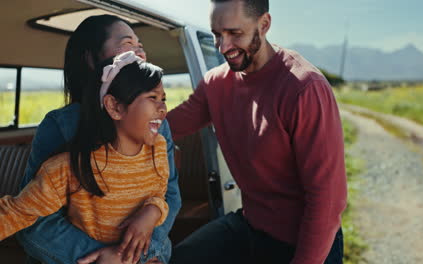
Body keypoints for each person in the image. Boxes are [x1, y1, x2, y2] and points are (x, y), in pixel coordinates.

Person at [166, 0, 347, 263]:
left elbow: (327, 201)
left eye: (234, 33)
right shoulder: (216, 83)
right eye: (217, 35)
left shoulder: (304, 88)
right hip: (251, 225)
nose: (223, 47)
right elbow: (167, 127)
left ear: (264, 25)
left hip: (306, 241)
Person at [15, 15, 181, 264]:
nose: (140, 53)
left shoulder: (156, 123)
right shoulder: (60, 125)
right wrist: (102, 258)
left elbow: (170, 194)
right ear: (91, 59)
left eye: (141, 46)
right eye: (128, 44)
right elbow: (33, 220)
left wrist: (143, 251)